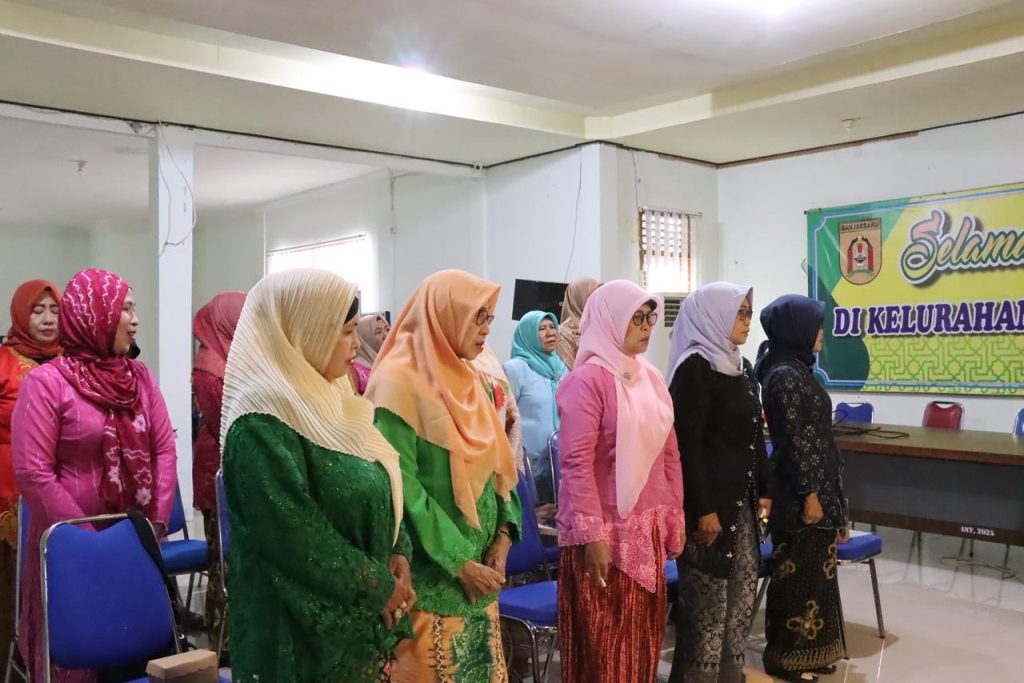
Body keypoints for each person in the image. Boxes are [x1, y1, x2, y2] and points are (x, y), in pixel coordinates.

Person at [221, 269, 414, 682]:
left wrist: (398, 550)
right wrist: (376, 585)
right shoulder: (258, 425)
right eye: (346, 332)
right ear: (306, 332)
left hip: (354, 620)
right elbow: (293, 534)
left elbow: (380, 473)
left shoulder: (336, 398)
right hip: (296, 638)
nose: (356, 343)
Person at [12, 268, 177, 682]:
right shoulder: (47, 383)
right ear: (96, 315)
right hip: (69, 542)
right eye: (126, 309)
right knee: (81, 652)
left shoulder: (139, 377)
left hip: (133, 534)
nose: (135, 320)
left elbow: (163, 448)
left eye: (134, 309)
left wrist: (154, 524)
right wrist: (90, 542)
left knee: (134, 647)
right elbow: (33, 471)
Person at [367, 269, 521, 683]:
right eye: (477, 317)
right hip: (431, 582)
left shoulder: (471, 378)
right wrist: (458, 562)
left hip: (481, 579)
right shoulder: (396, 383)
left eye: (489, 318)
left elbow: (498, 465)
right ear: (444, 315)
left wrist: (504, 535)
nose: (486, 329)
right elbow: (401, 485)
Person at [555, 279, 684, 683]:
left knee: (642, 645)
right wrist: (592, 535)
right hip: (603, 536)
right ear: (611, 319)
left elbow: (669, 453)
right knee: (605, 651)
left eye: (650, 318)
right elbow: (575, 463)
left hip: (645, 532)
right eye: (636, 318)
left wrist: (673, 516)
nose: (646, 327)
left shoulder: (649, 378)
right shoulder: (586, 381)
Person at [664, 282, 774, 683]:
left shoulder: (741, 368)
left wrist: (766, 489)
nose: (746, 321)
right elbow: (686, 445)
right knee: (707, 613)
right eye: (739, 312)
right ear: (714, 315)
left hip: (741, 506)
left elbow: (755, 434)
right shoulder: (695, 368)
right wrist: (702, 508)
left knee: (739, 604)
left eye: (748, 312)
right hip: (709, 511)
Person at [755, 294, 846, 683]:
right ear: (796, 330)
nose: (821, 332)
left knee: (818, 576)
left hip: (818, 490)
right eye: (815, 325)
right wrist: (810, 494)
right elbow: (793, 441)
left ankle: (812, 652)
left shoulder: (797, 369)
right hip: (798, 495)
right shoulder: (783, 376)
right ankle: (785, 658)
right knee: (795, 578)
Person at [0, 279, 62, 673]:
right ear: (21, 315)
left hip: (63, 488)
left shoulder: (73, 362)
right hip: (8, 491)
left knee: (57, 583)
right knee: (11, 588)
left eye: (54, 310)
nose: (47, 319)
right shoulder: (3, 362)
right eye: (38, 311)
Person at [190, 290, 246, 658]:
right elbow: (225, 422)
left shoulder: (233, 358)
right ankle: (220, 644)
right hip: (217, 470)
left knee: (234, 560)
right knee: (221, 561)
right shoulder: (210, 367)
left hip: (233, 465)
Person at [503, 310, 567, 505]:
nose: (550, 332)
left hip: (557, 462)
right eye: (542, 328)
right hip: (527, 464)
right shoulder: (516, 369)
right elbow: (504, 416)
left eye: (552, 327)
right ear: (528, 334)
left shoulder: (561, 368)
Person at [556, 277, 600, 370]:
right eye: (593, 296)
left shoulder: (601, 326)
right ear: (579, 298)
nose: (598, 300)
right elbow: (570, 370)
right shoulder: (563, 334)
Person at [350, 312, 390, 395]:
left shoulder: (390, 363)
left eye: (387, 329)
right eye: (378, 332)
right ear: (365, 338)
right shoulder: (355, 370)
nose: (386, 335)